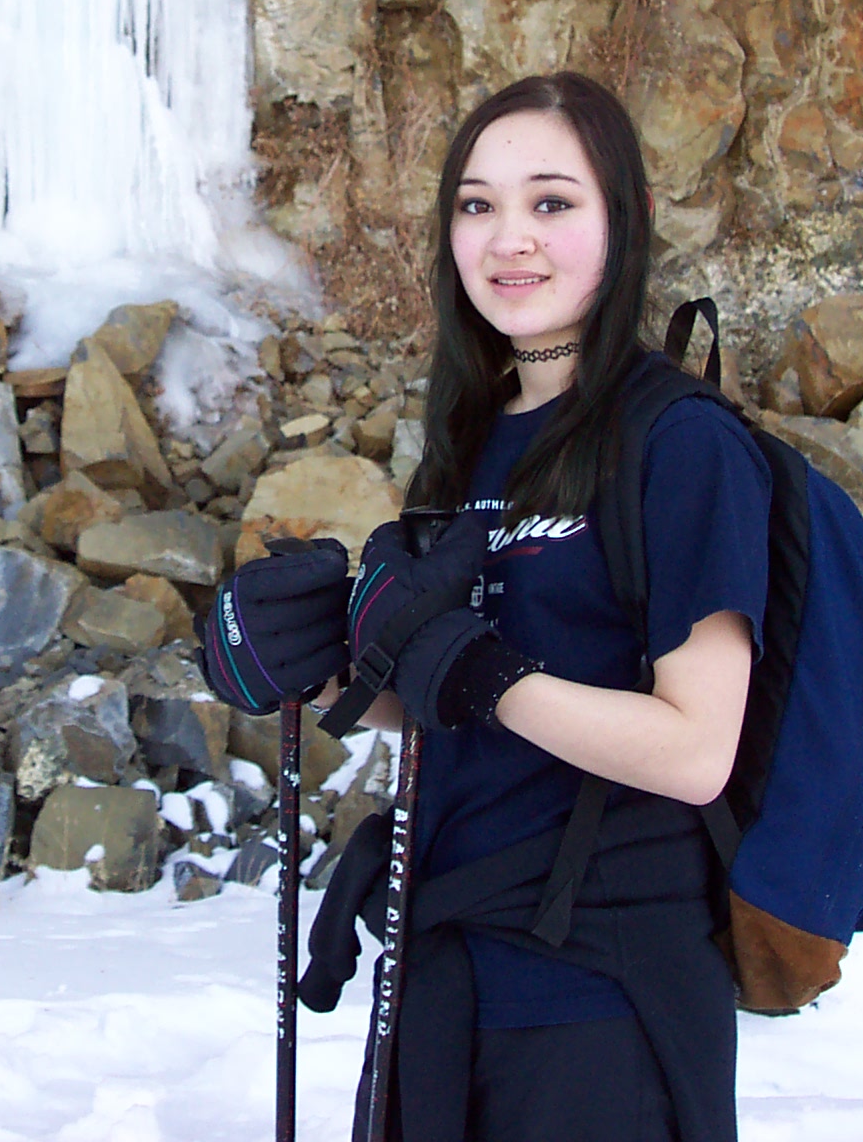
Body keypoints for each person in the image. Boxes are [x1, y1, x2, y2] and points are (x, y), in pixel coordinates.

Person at [197, 71, 771, 1142]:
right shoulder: (471, 434)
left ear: (624, 222)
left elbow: (699, 750)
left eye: (553, 202)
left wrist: (484, 677)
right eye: (477, 205)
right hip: (443, 972)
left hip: (599, 997)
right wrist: (315, 667)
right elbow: (441, 691)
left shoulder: (682, 442)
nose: (511, 238)